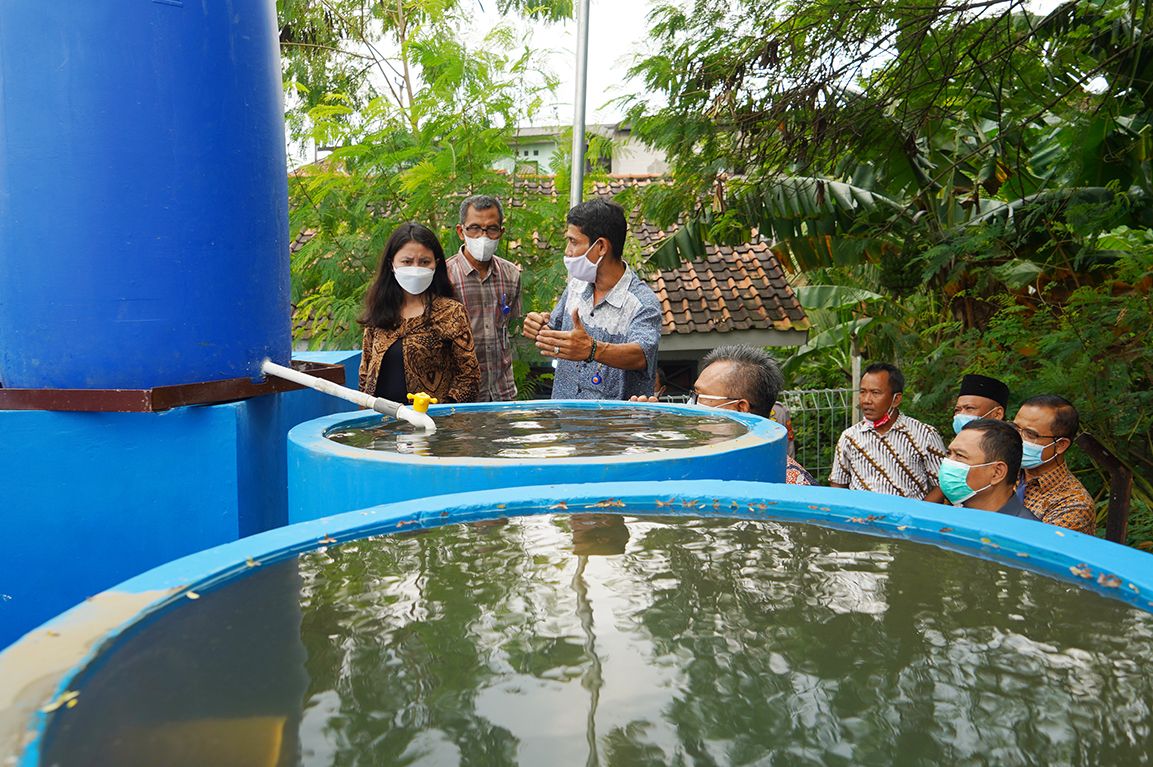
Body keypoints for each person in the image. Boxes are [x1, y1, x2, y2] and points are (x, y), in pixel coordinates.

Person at [522, 198, 661, 400]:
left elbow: (641, 354)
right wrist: (538, 327)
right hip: (565, 417)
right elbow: (557, 335)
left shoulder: (642, 302)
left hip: (613, 421)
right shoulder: (575, 287)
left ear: (601, 247)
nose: (567, 251)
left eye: (573, 241)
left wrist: (592, 349)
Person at [632, 345, 815, 485]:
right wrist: (643, 438)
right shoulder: (698, 455)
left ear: (741, 408)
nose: (691, 404)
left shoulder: (789, 483)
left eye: (700, 396)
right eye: (693, 395)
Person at [358, 223, 480, 404]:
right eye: (407, 262)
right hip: (380, 418)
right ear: (391, 264)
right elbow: (365, 373)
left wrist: (443, 412)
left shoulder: (451, 313)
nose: (415, 268)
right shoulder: (380, 311)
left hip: (431, 419)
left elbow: (469, 377)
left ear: (436, 264)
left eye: (424, 262)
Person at [829, 362, 946, 499]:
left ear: (896, 399)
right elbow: (838, 484)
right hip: (862, 513)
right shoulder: (849, 437)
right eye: (862, 392)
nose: (866, 400)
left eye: (875, 393)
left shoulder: (925, 435)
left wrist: (919, 511)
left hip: (908, 513)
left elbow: (942, 485)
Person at [446, 195, 521, 402]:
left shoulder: (511, 275)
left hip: (502, 392)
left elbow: (510, 327)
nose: (483, 236)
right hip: (460, 396)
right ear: (461, 231)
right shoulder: (444, 277)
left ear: (501, 232)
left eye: (491, 229)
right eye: (474, 228)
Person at [1013, 395, 1096, 535]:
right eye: (1015, 428)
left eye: (1030, 434)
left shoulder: (1074, 504)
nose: (1017, 438)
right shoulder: (1000, 470)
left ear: (1060, 445)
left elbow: (1032, 545)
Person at [939, 419, 1036, 519]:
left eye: (959, 455)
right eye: (949, 453)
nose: (948, 462)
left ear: (997, 473)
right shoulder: (950, 515)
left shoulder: (1025, 527)